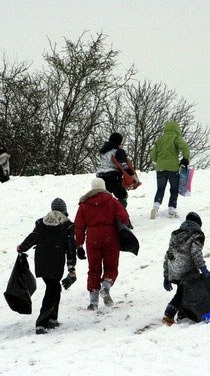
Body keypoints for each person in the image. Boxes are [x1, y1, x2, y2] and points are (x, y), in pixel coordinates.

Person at [17, 198, 77, 335]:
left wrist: (22, 247)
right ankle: (41, 323)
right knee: (53, 289)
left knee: (54, 287)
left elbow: (33, 237)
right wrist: (71, 267)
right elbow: (70, 248)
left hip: (41, 260)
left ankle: (53, 319)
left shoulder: (41, 222)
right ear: (64, 210)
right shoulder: (68, 226)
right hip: (56, 261)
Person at [74, 177, 129, 310]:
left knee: (94, 269)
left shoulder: (84, 204)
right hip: (110, 236)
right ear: (104, 187)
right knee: (111, 267)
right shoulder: (112, 201)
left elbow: (79, 226)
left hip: (92, 238)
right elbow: (124, 218)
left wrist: (79, 245)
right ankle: (105, 286)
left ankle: (93, 302)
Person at [162, 212, 209, 326]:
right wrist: (203, 268)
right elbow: (195, 253)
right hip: (187, 269)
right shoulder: (197, 234)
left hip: (173, 268)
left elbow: (169, 253)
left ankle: (183, 314)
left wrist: (166, 275)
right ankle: (170, 313)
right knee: (184, 290)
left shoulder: (175, 234)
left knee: (183, 289)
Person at [150, 121, 190, 219]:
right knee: (174, 190)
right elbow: (185, 147)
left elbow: (153, 155)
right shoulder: (176, 138)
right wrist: (185, 158)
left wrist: (159, 161)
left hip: (160, 169)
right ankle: (172, 211)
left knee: (160, 188)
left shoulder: (160, 140)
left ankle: (155, 207)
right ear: (177, 129)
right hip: (173, 169)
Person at [96, 132, 139, 211]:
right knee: (123, 195)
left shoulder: (103, 151)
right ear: (119, 142)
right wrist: (133, 176)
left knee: (105, 198)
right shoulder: (118, 151)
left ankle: (103, 216)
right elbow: (125, 166)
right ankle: (119, 216)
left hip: (100, 177)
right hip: (112, 177)